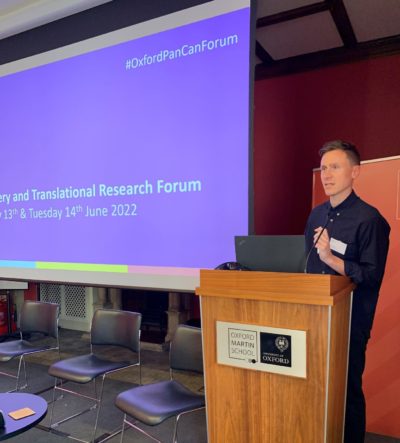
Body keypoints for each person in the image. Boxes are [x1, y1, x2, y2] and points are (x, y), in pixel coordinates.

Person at [304, 140, 390, 443]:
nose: (327, 174)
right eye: (324, 168)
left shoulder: (370, 220)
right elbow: (308, 267)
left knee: (346, 390)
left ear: (355, 172)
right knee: (314, 387)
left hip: (350, 323)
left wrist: (331, 258)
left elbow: (370, 275)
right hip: (313, 317)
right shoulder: (316, 215)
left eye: (335, 167)